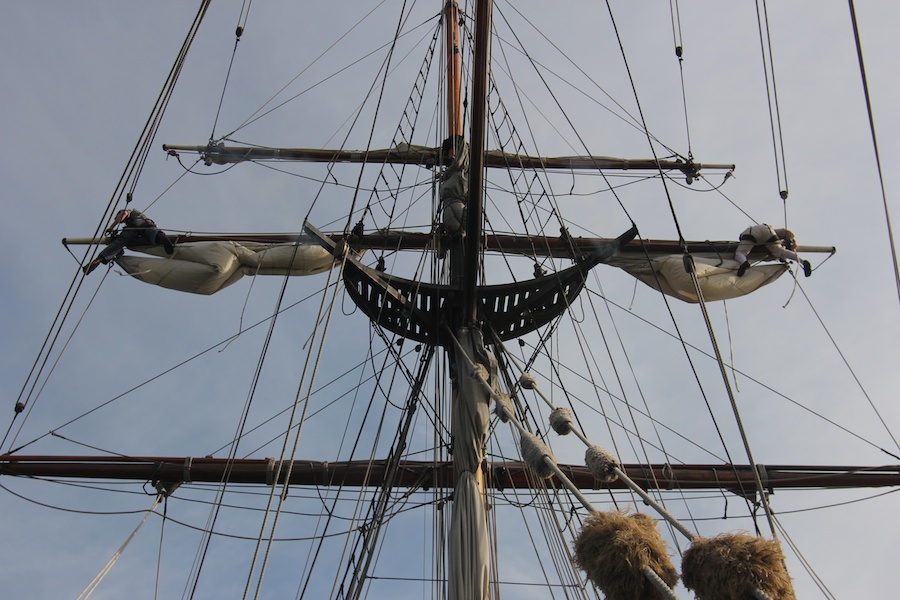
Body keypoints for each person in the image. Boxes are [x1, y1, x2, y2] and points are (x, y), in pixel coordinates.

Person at [83, 208, 174, 275]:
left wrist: (111, 227)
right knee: (152, 233)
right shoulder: (140, 215)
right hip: (146, 224)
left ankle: (98, 260)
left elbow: (122, 215)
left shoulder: (127, 211)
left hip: (133, 226)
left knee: (119, 242)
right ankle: (162, 238)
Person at [734, 223, 811, 278]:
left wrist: (790, 242)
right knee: (780, 252)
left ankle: (744, 263)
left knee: (740, 253)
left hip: (752, 234)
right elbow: (787, 234)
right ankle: (803, 262)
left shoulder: (780, 233)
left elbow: (787, 233)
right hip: (767, 231)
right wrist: (790, 243)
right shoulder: (777, 234)